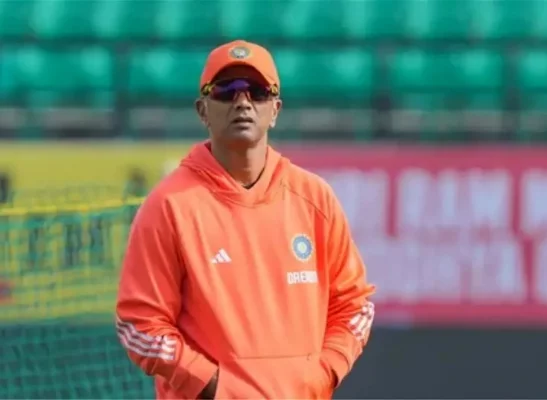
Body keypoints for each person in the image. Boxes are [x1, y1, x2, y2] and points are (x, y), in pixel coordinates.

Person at [115, 39, 376, 399]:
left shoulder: (315, 199)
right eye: (226, 90)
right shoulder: (169, 206)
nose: (243, 101)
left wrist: (323, 373)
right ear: (202, 109)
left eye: (257, 91)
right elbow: (139, 325)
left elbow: (354, 306)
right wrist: (211, 385)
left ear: (276, 109)